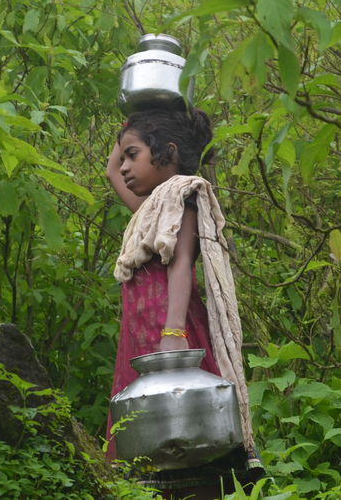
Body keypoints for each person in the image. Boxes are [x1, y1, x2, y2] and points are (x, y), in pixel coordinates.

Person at [104, 107, 262, 499]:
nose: (123, 166)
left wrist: (173, 333)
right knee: (149, 441)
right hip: (142, 343)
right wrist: (133, 116)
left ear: (167, 152)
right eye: (124, 156)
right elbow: (109, 173)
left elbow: (180, 268)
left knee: (188, 439)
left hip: (172, 337)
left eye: (133, 155)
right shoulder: (150, 211)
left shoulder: (183, 201)